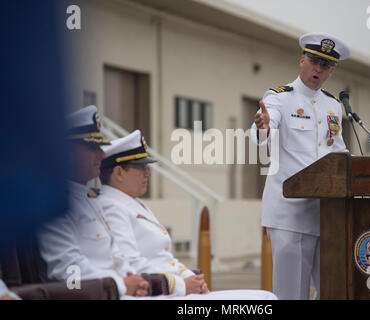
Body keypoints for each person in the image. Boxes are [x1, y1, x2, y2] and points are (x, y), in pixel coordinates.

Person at [98, 130, 277, 300]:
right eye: (141, 168)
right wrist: (182, 285)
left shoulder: (131, 202)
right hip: (156, 294)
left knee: (265, 297)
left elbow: (164, 258)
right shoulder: (110, 206)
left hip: (171, 291)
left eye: (147, 167)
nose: (148, 173)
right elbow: (130, 266)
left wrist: (191, 278)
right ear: (119, 173)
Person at [252, 32, 350, 300]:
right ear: (302, 61)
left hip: (327, 214)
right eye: (314, 61)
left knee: (333, 289)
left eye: (326, 65)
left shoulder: (333, 105)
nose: (318, 69)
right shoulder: (280, 97)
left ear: (331, 71)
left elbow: (338, 151)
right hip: (290, 215)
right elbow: (261, 132)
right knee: (292, 294)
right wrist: (263, 127)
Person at [37, 105, 150, 299]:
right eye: (92, 147)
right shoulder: (51, 202)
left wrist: (133, 280)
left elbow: (116, 257)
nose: (102, 154)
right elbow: (67, 271)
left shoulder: (89, 200)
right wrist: (121, 285)